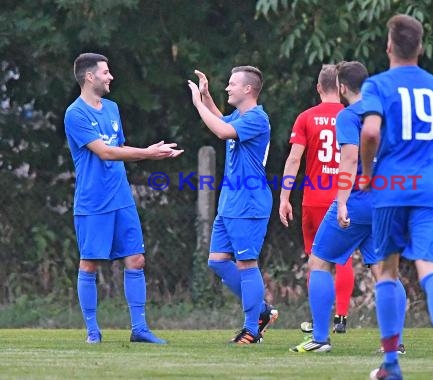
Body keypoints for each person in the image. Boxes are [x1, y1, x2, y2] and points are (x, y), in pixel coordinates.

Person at [359, 15, 433, 380]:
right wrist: (430, 159)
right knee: (429, 267)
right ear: (421, 48)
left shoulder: (377, 85)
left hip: (391, 189)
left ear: (389, 46)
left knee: (388, 271)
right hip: (429, 191)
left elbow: (371, 131)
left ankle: (391, 364)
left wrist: (368, 170)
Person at [64, 53, 184, 344]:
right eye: (105, 72)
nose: (110, 77)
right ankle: (93, 330)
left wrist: (150, 151)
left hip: (121, 197)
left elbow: (118, 148)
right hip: (93, 202)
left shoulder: (112, 108)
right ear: (89, 77)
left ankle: (139, 329)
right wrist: (148, 153)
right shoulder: (75, 113)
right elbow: (104, 152)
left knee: (136, 259)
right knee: (90, 263)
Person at [289, 61, 406, 353]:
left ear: (341, 87)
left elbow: (350, 160)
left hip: (359, 201)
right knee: (385, 271)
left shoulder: (349, 114)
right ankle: (395, 343)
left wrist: (341, 202)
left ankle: (319, 339)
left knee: (319, 262)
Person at [187, 66, 278, 344]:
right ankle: (261, 311)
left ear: (248, 89)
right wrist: (206, 98)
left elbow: (222, 131)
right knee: (217, 262)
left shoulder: (257, 119)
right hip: (230, 202)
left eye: (232, 84)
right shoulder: (239, 116)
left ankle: (252, 329)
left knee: (247, 263)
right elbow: (223, 120)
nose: (227, 88)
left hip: (248, 203)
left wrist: (196, 104)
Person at [279, 65, 354, 334]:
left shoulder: (306, 117)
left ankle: (317, 319)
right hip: (344, 196)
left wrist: (284, 197)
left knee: (317, 258)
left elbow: (294, 158)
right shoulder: (351, 115)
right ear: (342, 87)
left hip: (314, 198)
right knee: (344, 259)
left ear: (319, 87)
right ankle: (341, 317)